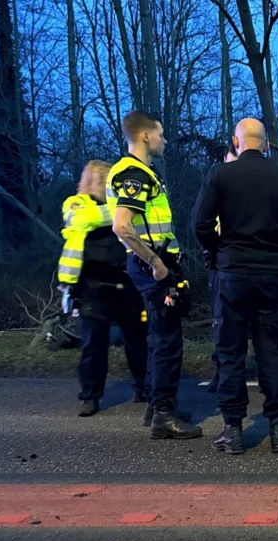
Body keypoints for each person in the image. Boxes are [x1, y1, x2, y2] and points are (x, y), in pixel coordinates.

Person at [191, 118, 278, 454]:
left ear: (236, 141)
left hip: (232, 275)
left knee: (230, 352)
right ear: (267, 145)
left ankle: (233, 431)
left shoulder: (220, 174)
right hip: (273, 276)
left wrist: (219, 252)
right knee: (271, 350)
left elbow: (199, 223)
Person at [108, 110, 202, 440]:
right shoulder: (135, 173)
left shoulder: (141, 171)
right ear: (146, 135)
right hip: (153, 265)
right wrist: (156, 263)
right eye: (160, 133)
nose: (164, 139)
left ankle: (157, 404)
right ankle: (163, 415)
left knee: (159, 336)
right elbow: (122, 225)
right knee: (167, 340)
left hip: (155, 262)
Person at [58, 160, 148, 417]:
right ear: (88, 181)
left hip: (126, 279)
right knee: (93, 343)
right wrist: (119, 211)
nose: (105, 184)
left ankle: (143, 387)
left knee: (137, 339)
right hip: (91, 284)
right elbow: (83, 219)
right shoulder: (75, 203)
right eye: (101, 179)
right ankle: (90, 396)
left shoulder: (120, 206)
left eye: (108, 180)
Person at [205, 140, 239, 393]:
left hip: (244, 262)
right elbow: (202, 223)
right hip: (221, 264)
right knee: (221, 323)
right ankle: (221, 372)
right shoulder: (217, 185)